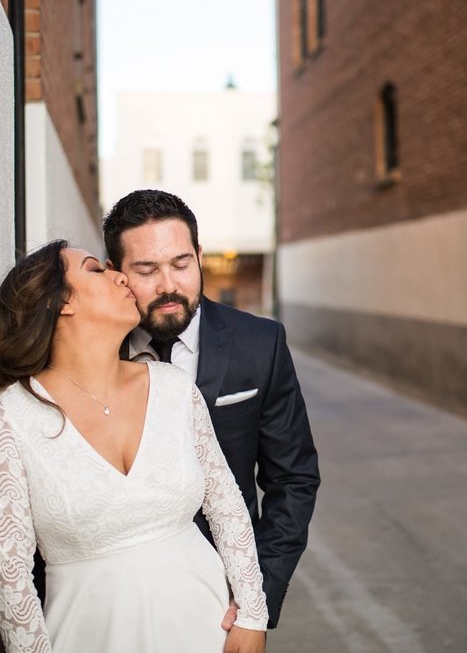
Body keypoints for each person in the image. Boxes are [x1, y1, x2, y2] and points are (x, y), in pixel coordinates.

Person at [0, 240, 268, 653]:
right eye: (95, 270)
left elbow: (226, 503)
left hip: (209, 630)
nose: (120, 276)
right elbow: (9, 572)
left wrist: (252, 614)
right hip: (88, 636)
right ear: (61, 301)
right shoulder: (13, 415)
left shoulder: (173, 387)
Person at [102, 189, 320, 630]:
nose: (168, 285)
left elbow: (292, 479)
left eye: (181, 264)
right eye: (147, 270)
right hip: (119, 605)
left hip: (224, 601)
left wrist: (255, 602)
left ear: (199, 256)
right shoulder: (95, 351)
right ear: (116, 275)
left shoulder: (262, 344)